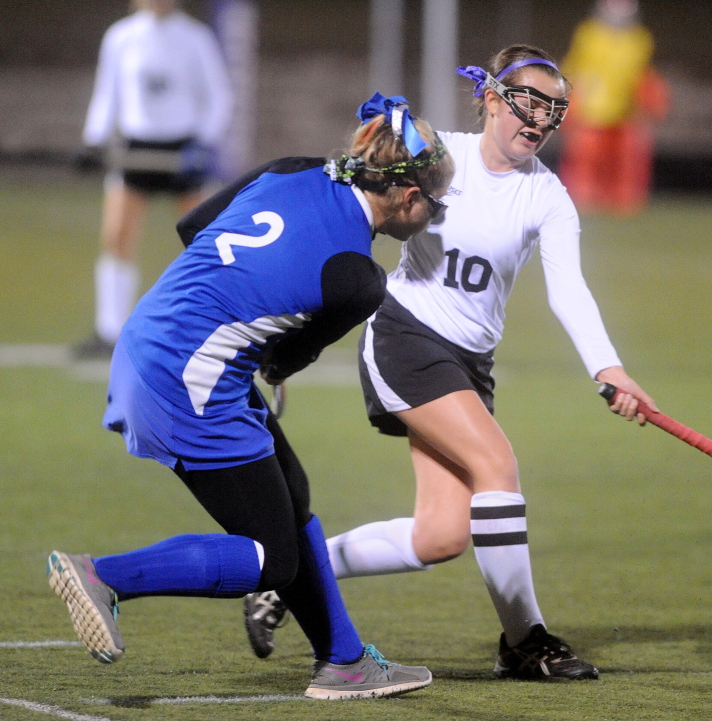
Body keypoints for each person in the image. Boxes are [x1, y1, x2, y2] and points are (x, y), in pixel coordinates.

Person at [243, 45, 657, 682]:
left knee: (440, 535)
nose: (539, 124)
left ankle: (288, 576)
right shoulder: (442, 158)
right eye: (528, 106)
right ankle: (525, 642)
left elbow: (569, 289)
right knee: (498, 465)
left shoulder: (548, 196)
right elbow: (354, 199)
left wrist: (608, 366)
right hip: (405, 336)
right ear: (491, 100)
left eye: (553, 114)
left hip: (469, 364)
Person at [48, 94, 455, 700]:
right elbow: (285, 357)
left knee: (292, 498)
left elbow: (193, 228)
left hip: (153, 338)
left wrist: (239, 300)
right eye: (436, 205)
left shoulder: (293, 167)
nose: (434, 217)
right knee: (273, 560)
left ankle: (344, 661)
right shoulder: (358, 278)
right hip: (187, 382)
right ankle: (103, 576)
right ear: (408, 197)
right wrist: (262, 339)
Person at [74, 0, 233, 359]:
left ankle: (211, 326)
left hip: (182, 151)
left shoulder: (196, 37)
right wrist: (93, 139)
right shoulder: (121, 37)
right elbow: (107, 93)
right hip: (136, 150)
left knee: (206, 243)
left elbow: (219, 95)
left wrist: (204, 142)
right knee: (116, 238)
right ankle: (110, 331)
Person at [558, 0, 671, 216]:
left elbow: (642, 74)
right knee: (586, 159)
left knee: (626, 162)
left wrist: (649, 100)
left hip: (626, 113)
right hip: (591, 112)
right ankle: (583, 200)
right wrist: (571, 101)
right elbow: (574, 69)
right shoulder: (588, 34)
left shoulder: (640, 39)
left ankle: (624, 202)